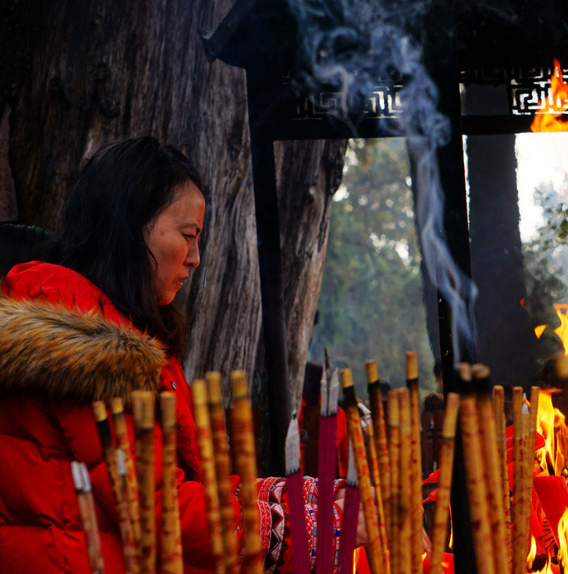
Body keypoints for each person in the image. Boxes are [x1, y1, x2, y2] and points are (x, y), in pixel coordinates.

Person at [0, 137, 355, 573]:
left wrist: (286, 498)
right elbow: (156, 509)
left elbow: (177, 488)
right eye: (188, 236)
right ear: (130, 226)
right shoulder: (83, 343)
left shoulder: (117, 335)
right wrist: (302, 526)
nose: (196, 258)